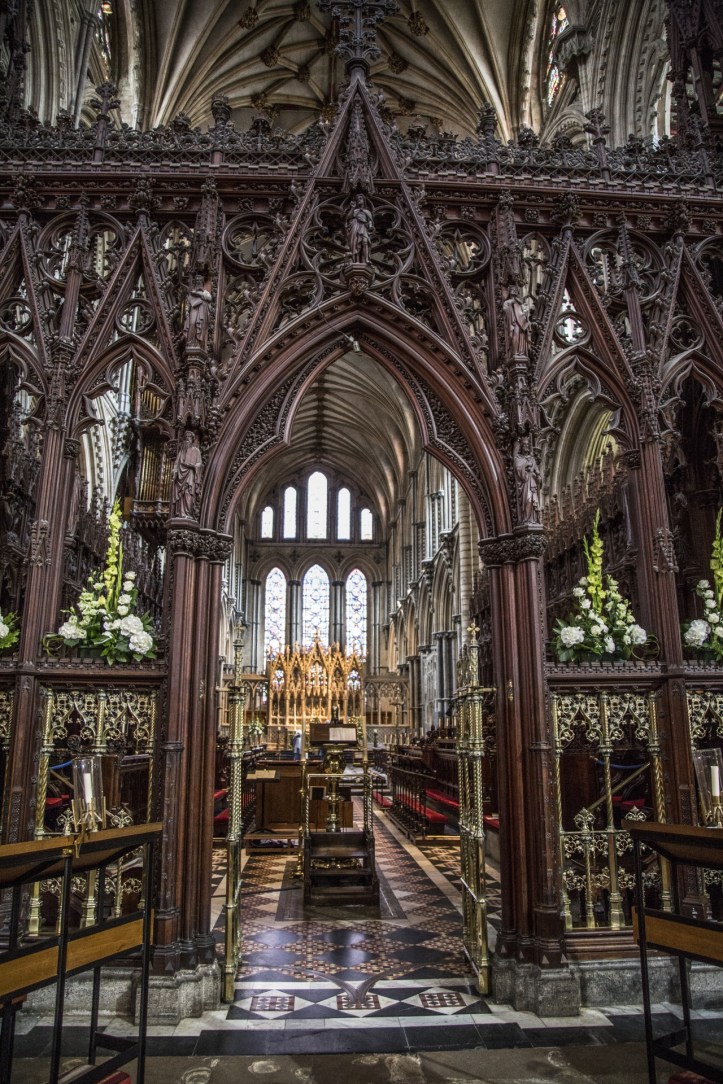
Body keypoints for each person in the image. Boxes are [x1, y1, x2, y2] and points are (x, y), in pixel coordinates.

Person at [172, 431, 202, 518]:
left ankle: (187, 513)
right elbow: (176, 463)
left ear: (192, 439)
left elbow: (199, 463)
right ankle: (180, 513)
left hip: (190, 475)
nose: (187, 438)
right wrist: (174, 471)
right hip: (180, 477)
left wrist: (194, 466)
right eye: (186, 436)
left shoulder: (196, 451)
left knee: (188, 493)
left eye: (189, 437)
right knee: (181, 495)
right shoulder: (181, 452)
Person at [503, 284, 530, 357]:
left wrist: (525, 312)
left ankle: (520, 351)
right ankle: (514, 352)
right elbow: (505, 310)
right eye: (512, 289)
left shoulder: (520, 302)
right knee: (515, 333)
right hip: (513, 322)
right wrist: (510, 304)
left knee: (521, 336)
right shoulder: (507, 302)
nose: (514, 291)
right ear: (509, 291)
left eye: (515, 290)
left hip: (521, 322)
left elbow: (524, 311)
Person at [347, 193, 373, 264]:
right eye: (357, 199)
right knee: (356, 244)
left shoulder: (367, 211)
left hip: (364, 227)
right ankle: (356, 260)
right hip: (355, 227)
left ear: (364, 200)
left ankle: (366, 259)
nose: (359, 200)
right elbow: (349, 217)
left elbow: (370, 221)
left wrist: (369, 226)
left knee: (365, 242)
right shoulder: (355, 211)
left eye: (360, 199)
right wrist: (352, 207)